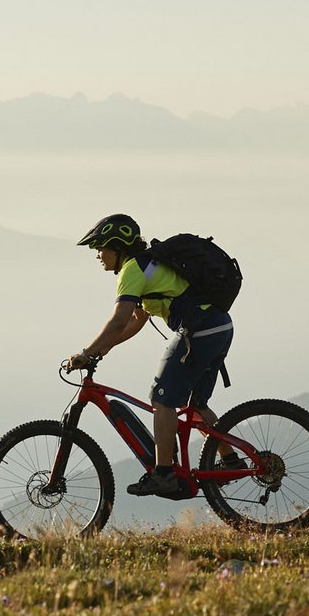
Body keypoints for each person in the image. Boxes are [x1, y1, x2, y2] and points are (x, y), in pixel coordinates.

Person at [64, 213, 241, 498]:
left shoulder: (133, 269)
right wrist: (105, 348)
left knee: (161, 399)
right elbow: (137, 320)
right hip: (219, 327)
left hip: (200, 330)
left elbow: (119, 320)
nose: (97, 255)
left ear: (116, 246)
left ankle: (163, 474)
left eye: (100, 248)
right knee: (196, 406)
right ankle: (231, 461)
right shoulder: (147, 264)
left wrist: (87, 352)